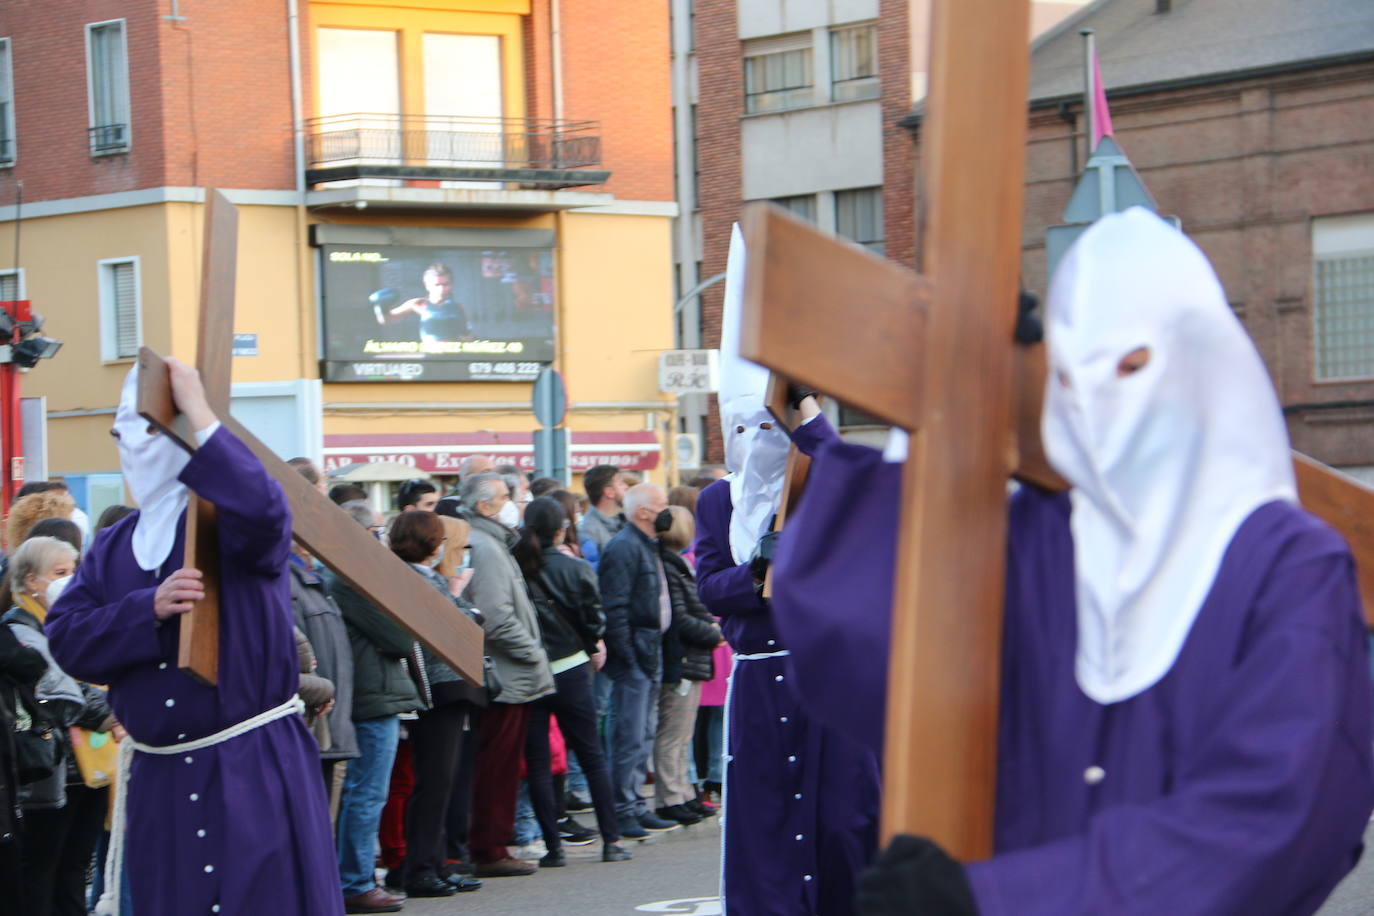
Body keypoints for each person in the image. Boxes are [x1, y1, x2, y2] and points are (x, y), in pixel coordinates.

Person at [773, 209, 1374, 916]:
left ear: (1205, 362)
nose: (1097, 397)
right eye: (1069, 372)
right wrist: (942, 421)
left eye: (1131, 364)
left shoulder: (1290, 565)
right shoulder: (1037, 540)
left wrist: (998, 900)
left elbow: (1282, 815)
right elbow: (864, 648)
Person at [45, 359, 341, 916]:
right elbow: (66, 638)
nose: (131, 445)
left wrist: (202, 414)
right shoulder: (113, 544)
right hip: (160, 776)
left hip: (252, 767)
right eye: (120, 431)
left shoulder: (226, 522)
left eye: (150, 427)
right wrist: (145, 610)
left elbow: (263, 511)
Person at [695, 225, 880, 915]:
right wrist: (755, 579)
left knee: (841, 820)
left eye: (767, 431)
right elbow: (709, 585)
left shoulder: (820, 487)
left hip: (829, 679)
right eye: (744, 431)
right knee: (767, 823)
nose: (755, 445)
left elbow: (855, 476)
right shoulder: (719, 502)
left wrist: (805, 410)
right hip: (760, 680)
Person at [512, 497, 632, 866]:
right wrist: (589, 641)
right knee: (592, 754)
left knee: (538, 763)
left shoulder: (515, 567)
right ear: (562, 530)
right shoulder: (576, 567)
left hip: (529, 670)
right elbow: (595, 620)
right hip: (571, 667)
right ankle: (611, 840)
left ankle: (553, 847)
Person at [6, 536, 114, 916]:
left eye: (74, 572)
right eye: (60, 573)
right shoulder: (19, 630)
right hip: (49, 770)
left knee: (74, 866)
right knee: (42, 872)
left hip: (85, 766)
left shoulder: (64, 622)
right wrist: (108, 712)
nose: (70, 581)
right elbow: (59, 689)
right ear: (32, 580)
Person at [384, 511, 485, 900]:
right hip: (437, 690)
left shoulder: (427, 578)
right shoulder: (417, 579)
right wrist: (466, 610)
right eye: (440, 539)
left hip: (442, 687)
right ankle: (421, 867)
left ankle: (433, 862)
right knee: (433, 781)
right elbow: (460, 622)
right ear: (428, 542)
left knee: (438, 781)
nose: (444, 547)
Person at [458, 472, 554, 877]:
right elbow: (496, 618)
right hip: (505, 676)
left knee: (501, 764)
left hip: (508, 672)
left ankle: (491, 843)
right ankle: (489, 848)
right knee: (497, 766)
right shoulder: (484, 547)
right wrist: (533, 654)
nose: (514, 502)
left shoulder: (491, 543)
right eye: (505, 496)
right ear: (484, 507)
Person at [327, 500, 420, 915]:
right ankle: (356, 881)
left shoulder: (348, 578)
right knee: (366, 794)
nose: (383, 540)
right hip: (372, 693)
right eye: (378, 532)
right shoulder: (351, 581)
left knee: (362, 793)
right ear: (361, 535)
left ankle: (355, 878)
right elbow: (402, 638)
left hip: (371, 690)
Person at [598, 482, 681, 838]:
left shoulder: (647, 545)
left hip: (651, 650)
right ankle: (622, 809)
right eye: (662, 504)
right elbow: (614, 608)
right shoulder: (625, 547)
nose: (668, 510)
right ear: (643, 512)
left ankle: (634, 804)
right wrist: (629, 656)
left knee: (644, 733)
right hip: (636, 654)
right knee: (629, 735)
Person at [652, 505, 720, 827]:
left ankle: (682, 793)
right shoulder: (670, 566)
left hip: (689, 656)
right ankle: (671, 797)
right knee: (673, 734)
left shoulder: (675, 564)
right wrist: (712, 632)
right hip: (681, 657)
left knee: (682, 733)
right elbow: (680, 617)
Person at [375, 263, 475, 343]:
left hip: (453, 358)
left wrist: (463, 335)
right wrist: (380, 306)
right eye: (437, 285)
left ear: (451, 285)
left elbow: (470, 338)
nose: (442, 289)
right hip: (429, 359)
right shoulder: (418, 304)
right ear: (427, 285)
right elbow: (386, 319)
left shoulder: (459, 308)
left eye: (446, 284)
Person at [579, 465, 627, 567]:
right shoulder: (589, 531)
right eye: (621, 483)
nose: (626, 487)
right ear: (609, 492)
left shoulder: (627, 520)